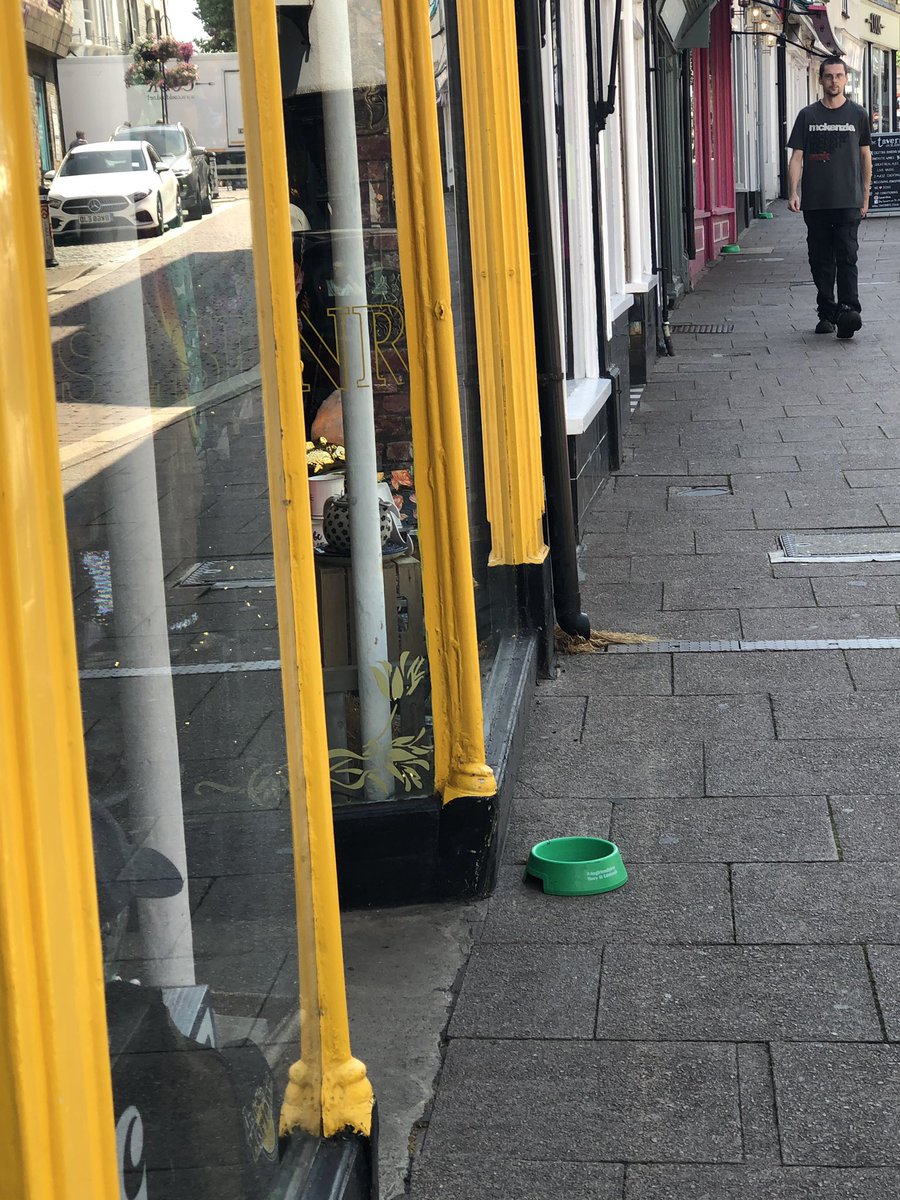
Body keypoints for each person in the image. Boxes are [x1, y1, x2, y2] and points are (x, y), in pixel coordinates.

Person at [787, 56, 872, 339]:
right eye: (828, 76)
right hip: (816, 202)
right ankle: (827, 313)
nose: (834, 81)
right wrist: (793, 191)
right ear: (821, 80)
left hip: (849, 199)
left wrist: (866, 194)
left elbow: (865, 156)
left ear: (846, 79)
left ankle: (849, 311)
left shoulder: (858, 114)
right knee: (820, 260)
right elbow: (797, 157)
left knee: (847, 256)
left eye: (839, 76)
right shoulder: (808, 116)